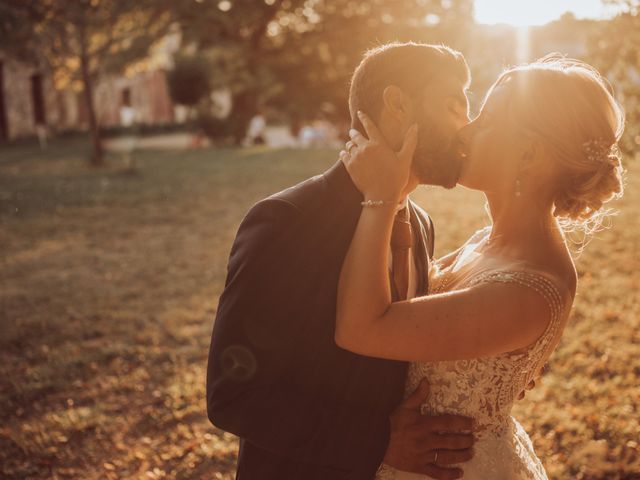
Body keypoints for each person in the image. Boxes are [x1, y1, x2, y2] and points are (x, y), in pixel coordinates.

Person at [336, 54, 625, 479]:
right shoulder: (492, 240)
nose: (465, 128)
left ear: (528, 154)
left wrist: (381, 196)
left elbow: (361, 328)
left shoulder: (527, 288)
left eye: (487, 120)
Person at [207, 43, 481, 480]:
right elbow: (233, 396)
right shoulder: (285, 222)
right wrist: (378, 441)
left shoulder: (422, 223)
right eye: (454, 106)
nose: (466, 128)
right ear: (397, 103)